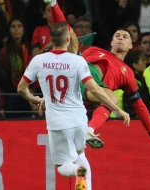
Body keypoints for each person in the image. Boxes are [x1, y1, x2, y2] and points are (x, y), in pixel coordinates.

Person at [44, 0, 150, 150]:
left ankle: (89, 130)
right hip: (77, 71)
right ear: (111, 42)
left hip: (88, 88)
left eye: (125, 37)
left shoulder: (127, 73)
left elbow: (140, 106)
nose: (120, 38)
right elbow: (76, 58)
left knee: (111, 96)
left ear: (131, 46)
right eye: (117, 35)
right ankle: (52, 2)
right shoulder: (95, 50)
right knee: (71, 36)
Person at [17, 22, 130, 190]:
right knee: (80, 155)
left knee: (63, 166)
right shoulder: (77, 61)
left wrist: (35, 99)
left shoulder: (38, 60)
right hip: (79, 122)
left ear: (51, 40)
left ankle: (78, 172)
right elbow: (95, 90)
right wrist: (119, 109)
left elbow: (21, 89)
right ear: (68, 39)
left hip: (58, 123)